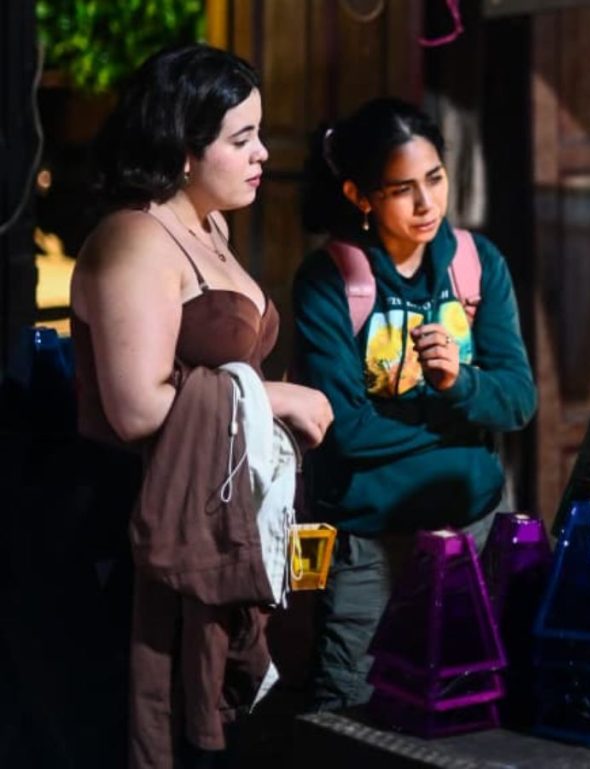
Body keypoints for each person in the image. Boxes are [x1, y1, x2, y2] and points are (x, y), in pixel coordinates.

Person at [70, 44, 333, 768]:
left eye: (259, 134)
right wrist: (277, 394)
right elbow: (134, 408)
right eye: (241, 139)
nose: (262, 154)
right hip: (142, 520)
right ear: (184, 151)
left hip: (221, 509)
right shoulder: (133, 238)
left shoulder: (208, 227)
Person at [293, 97, 537, 711]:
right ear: (360, 195)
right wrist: (458, 429)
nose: (427, 203)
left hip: (473, 525)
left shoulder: (477, 266)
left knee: (476, 700)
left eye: (434, 178)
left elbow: (518, 402)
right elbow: (344, 430)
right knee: (348, 706)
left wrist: (461, 384)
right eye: (402, 189)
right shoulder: (331, 280)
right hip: (371, 541)